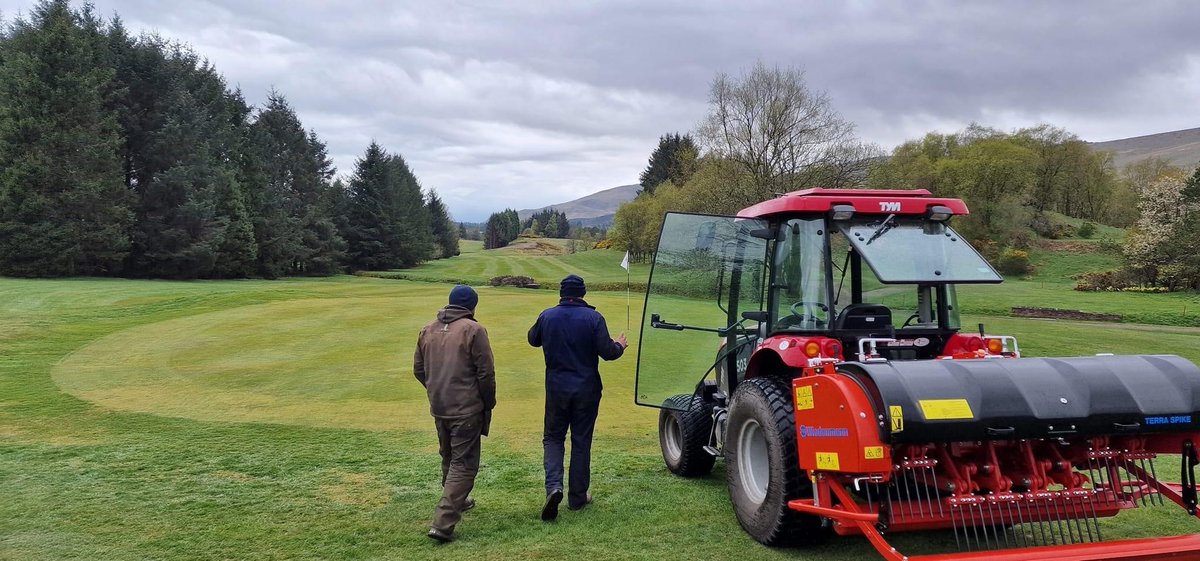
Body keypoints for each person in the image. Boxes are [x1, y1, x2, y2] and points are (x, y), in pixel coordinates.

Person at [528, 274, 628, 521]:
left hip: (556, 390)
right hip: (587, 390)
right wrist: (620, 346)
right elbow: (608, 353)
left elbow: (533, 339)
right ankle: (577, 497)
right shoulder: (594, 318)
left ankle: (554, 487)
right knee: (581, 441)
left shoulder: (547, 315)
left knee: (553, 438)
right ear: (583, 293)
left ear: (561, 293)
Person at [414, 284, 496, 543]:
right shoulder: (474, 329)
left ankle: (458, 499)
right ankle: (443, 522)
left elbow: (419, 369)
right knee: (464, 463)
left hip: (440, 405)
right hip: (466, 408)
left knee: (449, 455)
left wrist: (437, 389)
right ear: (472, 306)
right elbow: (485, 373)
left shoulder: (427, 328)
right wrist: (488, 402)